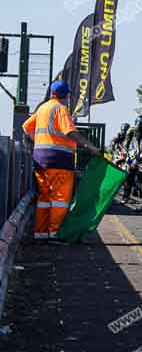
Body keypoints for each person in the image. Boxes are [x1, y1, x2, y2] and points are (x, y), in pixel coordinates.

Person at [22, 81, 101, 241]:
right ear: (67, 96)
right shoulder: (61, 109)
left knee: (44, 197)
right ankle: (55, 233)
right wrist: (91, 147)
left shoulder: (42, 108)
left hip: (40, 159)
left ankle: (41, 233)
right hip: (60, 160)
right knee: (60, 198)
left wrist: (38, 142)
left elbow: (26, 127)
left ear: (52, 93)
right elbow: (70, 131)